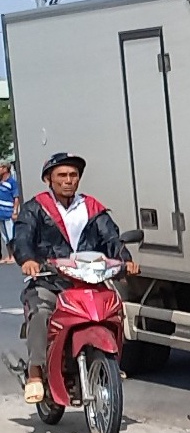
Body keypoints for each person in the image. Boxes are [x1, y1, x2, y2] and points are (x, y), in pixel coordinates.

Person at [12, 152, 137, 404]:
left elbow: (111, 239)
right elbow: (22, 238)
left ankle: (109, 361)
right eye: (62, 175)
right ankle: (35, 372)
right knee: (40, 311)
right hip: (49, 280)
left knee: (113, 308)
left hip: (86, 281)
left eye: (73, 175)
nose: (68, 180)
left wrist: (126, 260)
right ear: (49, 179)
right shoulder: (35, 209)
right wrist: (27, 260)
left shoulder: (92, 208)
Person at [0, 161, 17, 264]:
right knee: (4, 236)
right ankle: (9, 255)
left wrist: (15, 211)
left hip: (8, 213)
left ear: (6, 169)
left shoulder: (11, 182)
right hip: (0, 214)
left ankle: (14, 256)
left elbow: (16, 198)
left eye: (1, 167)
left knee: (11, 235)